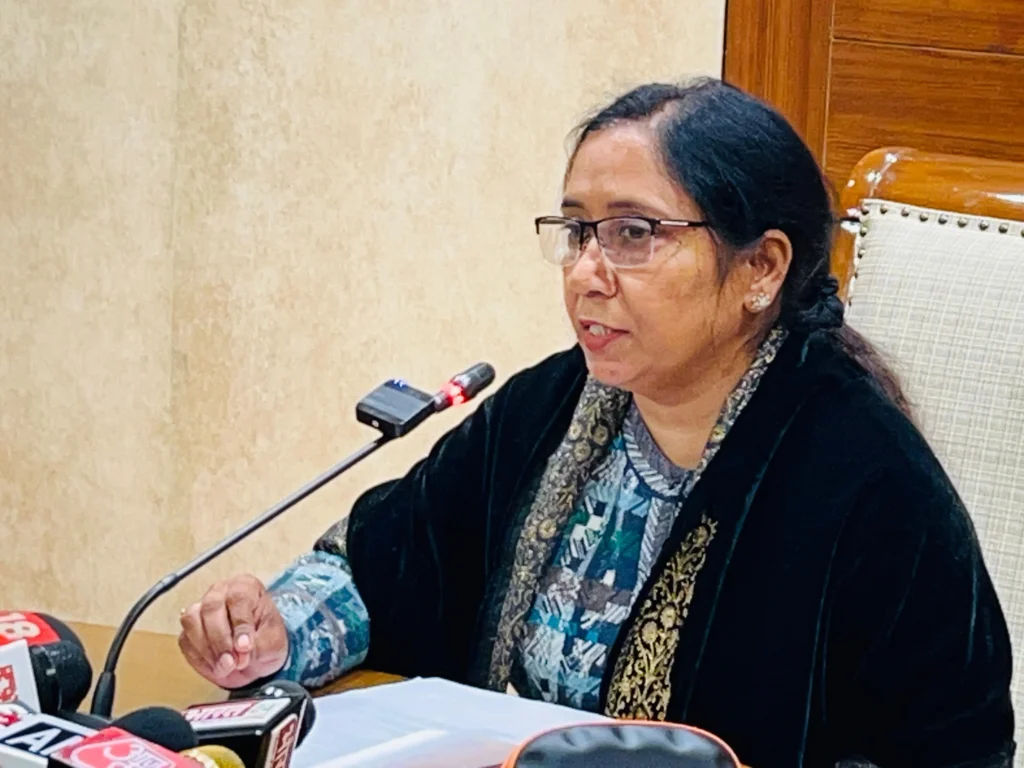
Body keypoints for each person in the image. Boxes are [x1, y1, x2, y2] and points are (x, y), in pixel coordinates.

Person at [176, 78, 1014, 767]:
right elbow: (384, 568)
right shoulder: (548, 409)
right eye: (577, 231)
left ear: (760, 267)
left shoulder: (868, 482)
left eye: (633, 233)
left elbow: (950, 749)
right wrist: (277, 631)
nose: (585, 272)